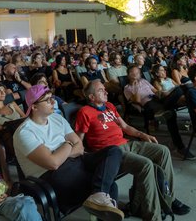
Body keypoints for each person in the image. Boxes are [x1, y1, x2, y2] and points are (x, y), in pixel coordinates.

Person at [76, 80, 192, 221]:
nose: (106, 92)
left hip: (128, 144)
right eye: (101, 90)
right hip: (113, 153)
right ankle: (152, 216)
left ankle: (169, 199)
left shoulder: (109, 106)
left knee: (163, 151)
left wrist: (142, 134)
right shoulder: (84, 112)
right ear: (91, 97)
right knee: (146, 165)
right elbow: (79, 139)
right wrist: (83, 156)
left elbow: (125, 127)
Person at [13, 85, 124, 221]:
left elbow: (80, 147)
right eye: (48, 100)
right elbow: (53, 163)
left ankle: (98, 194)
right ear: (34, 107)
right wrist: (68, 143)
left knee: (113, 151)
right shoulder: (25, 132)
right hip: (53, 175)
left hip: (75, 161)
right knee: (111, 186)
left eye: (52, 98)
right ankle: (99, 194)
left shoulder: (56, 118)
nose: (54, 102)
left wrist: (59, 153)